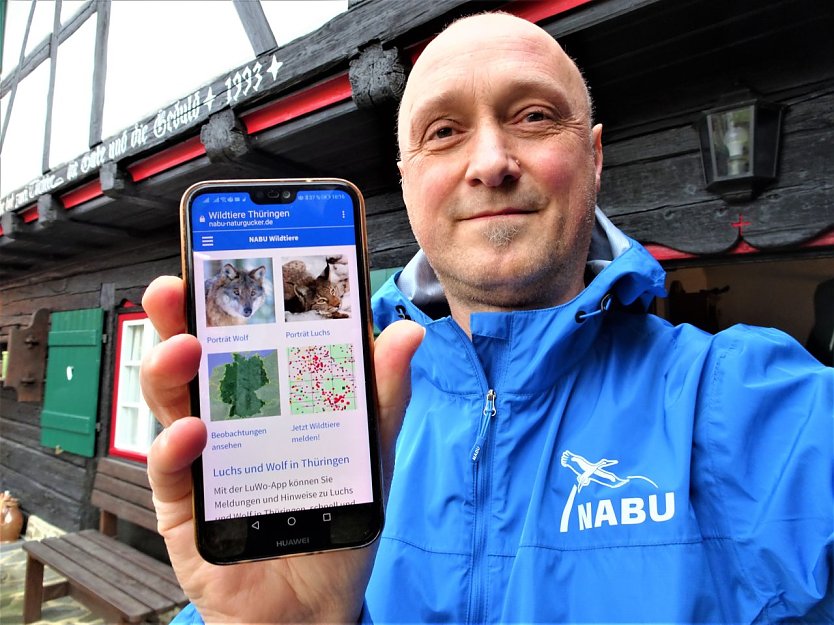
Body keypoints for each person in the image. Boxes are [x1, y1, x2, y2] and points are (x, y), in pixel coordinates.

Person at [141, 12, 833, 624]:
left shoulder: (750, 406)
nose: (492, 162)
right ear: (407, 178)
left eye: (533, 116)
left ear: (593, 157)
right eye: (444, 132)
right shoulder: (338, 426)